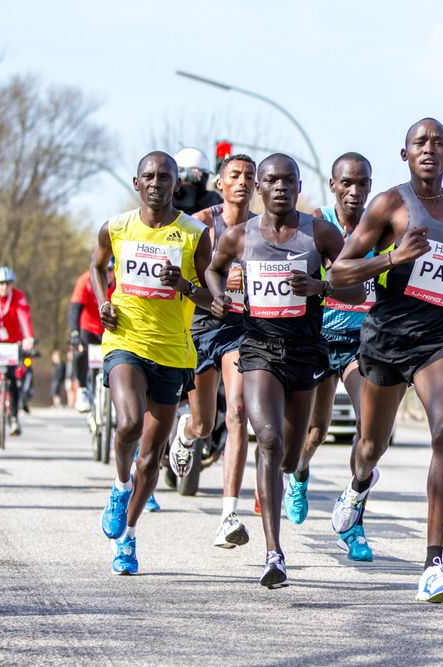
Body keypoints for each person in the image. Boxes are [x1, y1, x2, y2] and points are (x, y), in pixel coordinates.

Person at [328, 118, 443, 603]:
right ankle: (357, 487)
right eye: (420, 142)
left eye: (439, 143)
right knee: (372, 447)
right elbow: (339, 273)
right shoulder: (389, 204)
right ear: (405, 154)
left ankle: (433, 565)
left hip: (438, 335)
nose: (429, 149)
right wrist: (392, 259)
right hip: (385, 337)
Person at [206, 153, 363, 588]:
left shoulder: (320, 234)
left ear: (298, 186)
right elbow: (213, 269)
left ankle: (297, 473)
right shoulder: (240, 236)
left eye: (287, 180)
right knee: (269, 441)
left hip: (305, 352)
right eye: (271, 180)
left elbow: (356, 287)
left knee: (292, 455)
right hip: (257, 348)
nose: (279, 187)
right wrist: (219, 298)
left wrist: (323, 287)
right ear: (260, 187)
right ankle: (274, 553)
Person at [93, 151, 213, 575]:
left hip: (173, 352)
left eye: (165, 176)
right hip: (125, 340)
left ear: (177, 182)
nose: (157, 182)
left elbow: (212, 300)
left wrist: (184, 284)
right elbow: (96, 266)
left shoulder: (195, 234)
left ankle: (127, 536)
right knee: (127, 424)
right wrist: (103, 302)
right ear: (136, 183)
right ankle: (118, 486)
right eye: (149, 176)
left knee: (151, 458)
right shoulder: (117, 227)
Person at [166, 153, 257, 549]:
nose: (242, 182)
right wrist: (207, 288)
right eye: (234, 175)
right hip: (200, 324)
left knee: (237, 411)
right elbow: (180, 278)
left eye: (249, 176)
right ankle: (187, 435)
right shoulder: (201, 224)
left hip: (240, 328)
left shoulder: (264, 229)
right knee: (203, 423)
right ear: (220, 183)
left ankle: (227, 515)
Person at [295, 151, 375, 561]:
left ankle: (354, 519)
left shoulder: (380, 226)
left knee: (370, 433)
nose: (355, 191)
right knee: (315, 432)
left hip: (362, 343)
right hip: (319, 337)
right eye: (347, 183)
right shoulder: (315, 223)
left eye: (362, 183)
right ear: (333, 186)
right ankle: (300, 472)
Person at [0, 266, 35, 434]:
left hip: (12, 339)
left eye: (8, 283)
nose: (4, 287)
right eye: (1, 283)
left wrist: (28, 337)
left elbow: (24, 316)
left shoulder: (18, 297)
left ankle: (13, 418)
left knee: (12, 377)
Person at [69, 261, 114, 412]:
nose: (107, 274)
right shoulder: (85, 281)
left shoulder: (122, 282)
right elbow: (75, 309)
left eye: (110, 270)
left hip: (111, 329)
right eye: (103, 270)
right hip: (89, 328)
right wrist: (74, 333)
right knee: (81, 351)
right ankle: (82, 388)